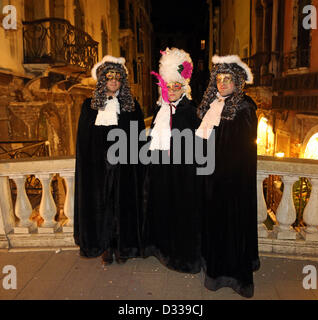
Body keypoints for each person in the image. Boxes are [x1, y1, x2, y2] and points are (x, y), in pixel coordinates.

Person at [196, 55, 260, 298]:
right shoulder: (213, 104)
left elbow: (242, 150)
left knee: (229, 227)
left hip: (231, 184)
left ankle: (231, 276)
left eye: (228, 79)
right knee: (213, 225)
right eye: (219, 79)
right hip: (211, 178)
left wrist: (223, 174)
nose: (223, 83)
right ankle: (212, 265)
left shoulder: (244, 107)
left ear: (238, 81)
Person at [74, 55, 145, 266]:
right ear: (102, 80)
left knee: (123, 207)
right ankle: (104, 246)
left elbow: (138, 137)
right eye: (109, 76)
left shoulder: (132, 107)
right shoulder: (89, 106)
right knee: (102, 207)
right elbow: (83, 140)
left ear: (122, 81)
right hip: (98, 168)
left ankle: (122, 247)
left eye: (117, 77)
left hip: (124, 167)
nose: (113, 80)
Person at [143, 48, 201, 273]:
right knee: (162, 210)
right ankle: (161, 249)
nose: (172, 90)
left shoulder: (191, 112)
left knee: (181, 214)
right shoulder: (160, 111)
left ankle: (181, 256)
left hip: (183, 176)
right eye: (168, 86)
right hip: (162, 173)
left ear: (184, 87)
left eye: (176, 86)